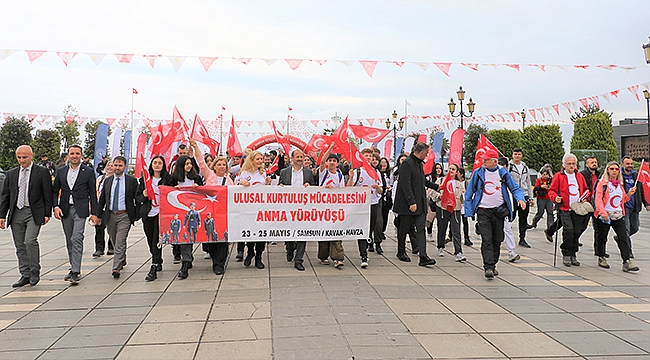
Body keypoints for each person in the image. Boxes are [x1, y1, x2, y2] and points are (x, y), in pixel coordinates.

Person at [464, 149, 526, 279]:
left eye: (487, 160)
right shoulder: (478, 173)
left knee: (497, 239)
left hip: (499, 211)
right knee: (486, 239)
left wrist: (521, 198)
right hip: (483, 211)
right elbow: (469, 192)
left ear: (494, 161)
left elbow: (514, 188)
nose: (484, 161)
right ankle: (488, 267)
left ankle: (493, 264)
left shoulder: (502, 173)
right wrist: (468, 211)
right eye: (484, 159)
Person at [0, 145, 53, 287]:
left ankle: (35, 271)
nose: (22, 160)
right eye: (19, 157)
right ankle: (25, 274)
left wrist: (47, 213)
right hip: (16, 212)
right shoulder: (11, 174)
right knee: (19, 245)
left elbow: (47, 193)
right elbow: (5, 195)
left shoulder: (41, 172)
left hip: (33, 212)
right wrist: (2, 215)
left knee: (29, 241)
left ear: (32, 156)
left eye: (25, 157)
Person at [52, 145, 99, 285]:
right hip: (65, 209)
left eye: (77, 153)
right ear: (68, 155)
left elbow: (92, 194)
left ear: (81, 155)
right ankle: (73, 266)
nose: (74, 156)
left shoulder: (88, 172)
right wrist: (55, 206)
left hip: (81, 209)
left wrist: (95, 213)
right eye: (72, 153)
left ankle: (76, 271)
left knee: (76, 237)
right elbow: (55, 191)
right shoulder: (61, 171)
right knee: (69, 240)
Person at [393, 142, 438, 267]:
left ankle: (423, 256)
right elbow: (405, 184)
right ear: (421, 152)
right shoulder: (407, 163)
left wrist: (437, 187)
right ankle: (401, 251)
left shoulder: (419, 164)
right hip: (408, 204)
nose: (426, 156)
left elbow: (422, 180)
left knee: (420, 229)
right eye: (426, 154)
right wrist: (411, 201)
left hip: (420, 203)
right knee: (404, 228)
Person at [96, 156, 139, 279]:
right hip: (110, 215)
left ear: (125, 166)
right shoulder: (108, 181)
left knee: (120, 240)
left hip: (124, 215)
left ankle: (116, 267)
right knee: (114, 239)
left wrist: (136, 215)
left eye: (120, 165)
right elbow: (103, 199)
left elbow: (137, 198)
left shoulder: (131, 181)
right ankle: (122, 259)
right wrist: (98, 215)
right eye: (115, 165)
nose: (117, 168)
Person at [593, 161, 639, 272]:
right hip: (605, 215)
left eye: (616, 169)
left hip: (618, 214)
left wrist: (629, 194)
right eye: (612, 169)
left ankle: (626, 260)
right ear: (607, 170)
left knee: (623, 237)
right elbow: (598, 199)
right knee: (602, 237)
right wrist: (603, 213)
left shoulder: (619, 184)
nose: (614, 171)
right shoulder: (602, 183)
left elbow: (621, 200)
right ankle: (601, 256)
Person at [547, 153, 591, 267]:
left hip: (577, 208)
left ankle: (573, 254)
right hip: (564, 208)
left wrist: (585, 197)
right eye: (569, 164)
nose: (571, 166)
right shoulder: (558, 176)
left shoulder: (579, 176)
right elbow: (551, 190)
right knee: (569, 231)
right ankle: (566, 253)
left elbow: (586, 189)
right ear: (564, 165)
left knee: (577, 232)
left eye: (573, 164)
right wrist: (555, 198)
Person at [279, 149, 316, 271]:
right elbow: (279, 187)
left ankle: (299, 260)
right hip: (288, 208)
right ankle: (289, 248)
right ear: (292, 158)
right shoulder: (284, 172)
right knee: (289, 232)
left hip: (303, 209)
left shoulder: (309, 172)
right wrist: (281, 187)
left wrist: (309, 187)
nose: (300, 159)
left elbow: (314, 188)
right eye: (298, 157)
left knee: (302, 233)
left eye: (302, 157)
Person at [136, 155, 172, 281]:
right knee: (150, 238)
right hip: (148, 214)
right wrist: (144, 195)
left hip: (161, 214)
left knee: (156, 239)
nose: (157, 165)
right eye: (155, 162)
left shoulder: (168, 179)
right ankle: (158, 259)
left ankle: (154, 264)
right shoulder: (145, 180)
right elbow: (138, 198)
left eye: (160, 163)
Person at [168, 155, 204, 279]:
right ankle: (185, 262)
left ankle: (188, 257)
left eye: (190, 163)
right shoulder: (173, 179)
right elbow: (167, 192)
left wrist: (198, 188)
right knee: (185, 238)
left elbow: (203, 193)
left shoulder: (196, 178)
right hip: (180, 213)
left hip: (194, 213)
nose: (189, 166)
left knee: (191, 237)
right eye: (186, 164)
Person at [348, 148, 384, 268]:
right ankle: (363, 255)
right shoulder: (357, 172)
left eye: (370, 156)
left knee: (370, 229)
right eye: (366, 155)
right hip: (360, 206)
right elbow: (349, 188)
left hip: (373, 203)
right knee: (361, 230)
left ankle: (368, 243)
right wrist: (350, 177)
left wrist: (377, 188)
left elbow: (381, 190)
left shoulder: (376, 172)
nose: (368, 158)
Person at [237, 150, 271, 269]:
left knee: (261, 234)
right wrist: (242, 182)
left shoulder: (263, 173)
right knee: (250, 233)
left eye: (261, 159)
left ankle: (259, 257)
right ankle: (250, 251)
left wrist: (267, 184)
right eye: (258, 159)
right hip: (249, 208)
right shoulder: (245, 172)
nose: (260, 161)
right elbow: (238, 185)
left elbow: (264, 190)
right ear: (252, 160)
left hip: (261, 208)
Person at [317, 145, 346, 267]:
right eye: (330, 160)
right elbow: (322, 161)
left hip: (335, 208)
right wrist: (331, 148)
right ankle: (323, 256)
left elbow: (343, 190)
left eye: (334, 161)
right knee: (324, 232)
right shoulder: (323, 173)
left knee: (336, 231)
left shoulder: (339, 175)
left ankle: (338, 257)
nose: (332, 162)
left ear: (337, 163)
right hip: (323, 207)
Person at [620, 156, 650, 258]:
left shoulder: (636, 176)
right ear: (622, 164)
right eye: (627, 164)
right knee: (626, 229)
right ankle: (628, 250)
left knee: (635, 227)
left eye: (631, 164)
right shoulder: (619, 176)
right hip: (624, 206)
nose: (630, 166)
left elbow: (642, 191)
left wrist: (646, 203)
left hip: (635, 206)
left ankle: (621, 238)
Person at [435, 164, 466, 262]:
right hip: (443, 208)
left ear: (457, 172)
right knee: (442, 228)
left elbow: (463, 199)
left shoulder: (459, 184)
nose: (451, 171)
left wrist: (464, 195)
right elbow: (432, 192)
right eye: (450, 169)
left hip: (455, 209)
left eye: (453, 169)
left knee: (456, 230)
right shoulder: (441, 181)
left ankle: (458, 252)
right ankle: (440, 246)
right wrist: (439, 196)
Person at [508, 148, 534, 248]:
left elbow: (528, 182)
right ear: (512, 155)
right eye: (515, 154)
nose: (517, 156)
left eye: (519, 154)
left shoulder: (524, 167)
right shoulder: (509, 166)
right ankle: (503, 234)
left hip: (524, 194)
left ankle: (522, 238)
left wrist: (531, 197)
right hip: (513, 195)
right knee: (511, 216)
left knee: (523, 218)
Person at [498, 157, 521, 263]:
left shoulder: (508, 177)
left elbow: (515, 189)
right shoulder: (494, 177)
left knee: (508, 229)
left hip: (506, 209)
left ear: (506, 166)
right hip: (493, 209)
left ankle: (512, 252)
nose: (500, 167)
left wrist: (520, 199)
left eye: (503, 165)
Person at [580, 156, 601, 255]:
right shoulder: (582, 174)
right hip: (586, 203)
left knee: (598, 228)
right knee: (582, 225)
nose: (594, 164)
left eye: (596, 162)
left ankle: (598, 250)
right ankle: (574, 242)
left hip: (596, 203)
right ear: (587, 164)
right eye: (592, 162)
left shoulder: (599, 175)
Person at [93, 161, 115, 257]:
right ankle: (99, 248)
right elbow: (96, 191)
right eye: (108, 166)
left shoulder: (116, 179)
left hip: (111, 207)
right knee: (99, 228)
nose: (109, 167)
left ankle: (111, 247)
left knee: (112, 228)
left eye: (112, 166)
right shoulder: (100, 179)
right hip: (100, 207)